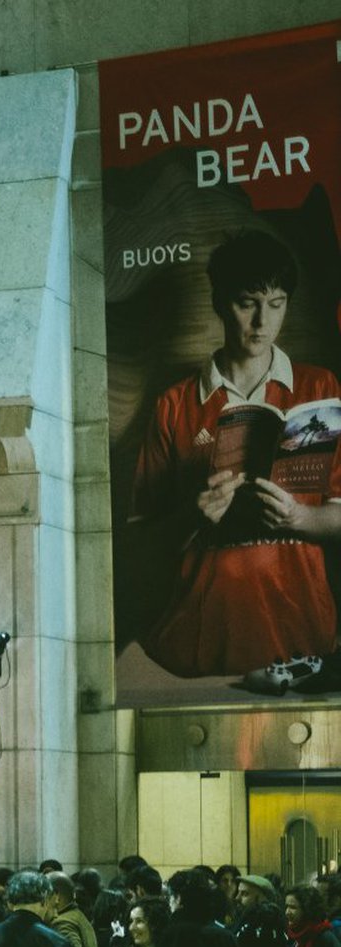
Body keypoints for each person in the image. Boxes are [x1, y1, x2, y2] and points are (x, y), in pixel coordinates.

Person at [129, 230, 341, 687]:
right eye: (248, 303)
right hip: (200, 641)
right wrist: (193, 515)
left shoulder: (320, 389)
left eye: (277, 303)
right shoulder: (174, 403)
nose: (263, 321)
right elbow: (141, 542)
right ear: (220, 302)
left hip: (300, 636)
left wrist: (299, 517)